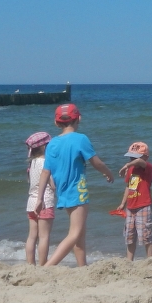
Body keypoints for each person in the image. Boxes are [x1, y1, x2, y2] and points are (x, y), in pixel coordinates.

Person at [35, 103, 114, 267]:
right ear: (79, 118)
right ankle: (47, 267)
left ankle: (82, 267)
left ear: (56, 122)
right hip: (78, 191)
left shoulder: (52, 143)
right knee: (75, 233)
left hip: (63, 192)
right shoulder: (81, 139)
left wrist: (39, 198)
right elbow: (96, 162)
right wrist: (108, 172)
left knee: (80, 234)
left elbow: (45, 172)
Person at [116, 141, 152, 260]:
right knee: (130, 237)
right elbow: (129, 187)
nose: (132, 160)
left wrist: (126, 165)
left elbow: (140, 162)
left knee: (146, 236)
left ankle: (150, 260)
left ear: (145, 157)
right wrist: (123, 203)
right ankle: (129, 261)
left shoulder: (147, 167)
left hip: (144, 205)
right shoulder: (131, 169)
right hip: (131, 206)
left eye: (135, 157)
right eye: (131, 157)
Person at [24, 131, 55, 265]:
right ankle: (43, 265)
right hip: (44, 202)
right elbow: (52, 185)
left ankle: (30, 264)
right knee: (44, 236)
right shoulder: (45, 163)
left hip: (31, 202)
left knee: (32, 236)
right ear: (44, 147)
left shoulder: (32, 163)